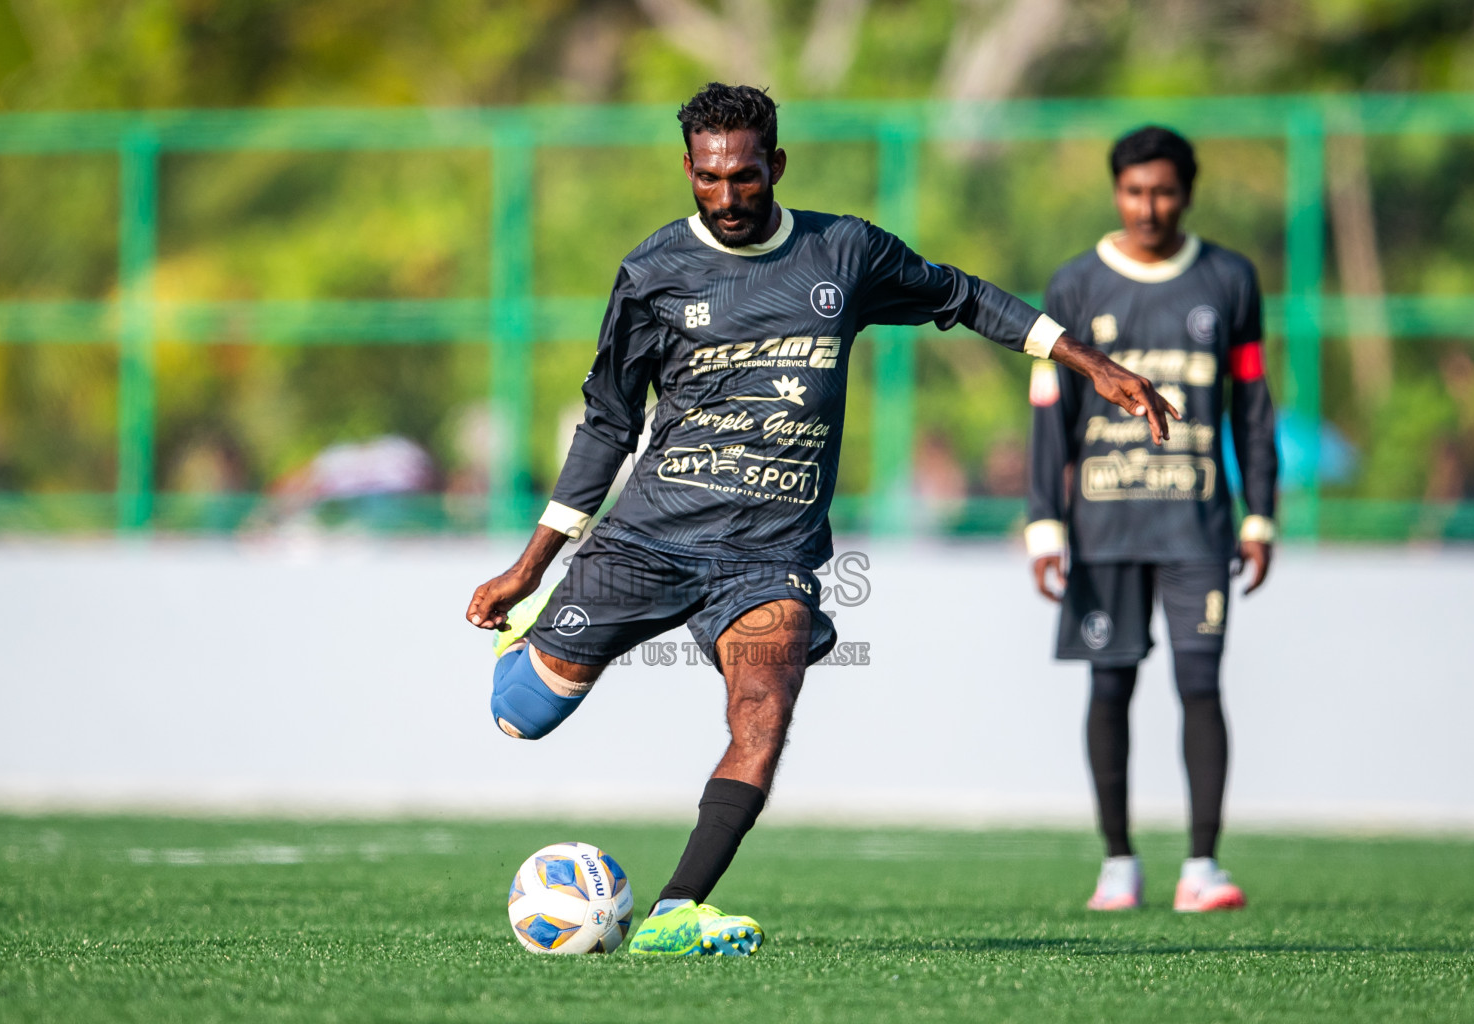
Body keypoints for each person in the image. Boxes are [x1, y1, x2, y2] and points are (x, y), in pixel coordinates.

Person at [469, 83, 1176, 956]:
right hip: (648, 538)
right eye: (709, 179)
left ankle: (674, 912)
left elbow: (961, 295)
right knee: (522, 716)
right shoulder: (653, 274)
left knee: (762, 711)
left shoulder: (841, 252)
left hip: (770, 556)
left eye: (746, 178)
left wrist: (1087, 361)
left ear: (778, 166)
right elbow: (610, 424)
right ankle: (535, 642)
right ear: (688, 170)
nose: (728, 198)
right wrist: (531, 566)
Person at [1025, 126, 1278, 913]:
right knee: (1110, 686)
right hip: (1103, 528)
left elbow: (1253, 408)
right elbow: (1049, 416)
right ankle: (1119, 863)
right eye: (1135, 191)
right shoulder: (1074, 286)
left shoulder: (1229, 279)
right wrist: (1044, 525)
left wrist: (1260, 516)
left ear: (1187, 193)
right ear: (1116, 193)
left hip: (1199, 527)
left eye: (1163, 191)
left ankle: (1202, 866)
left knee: (1200, 684)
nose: (1149, 207)